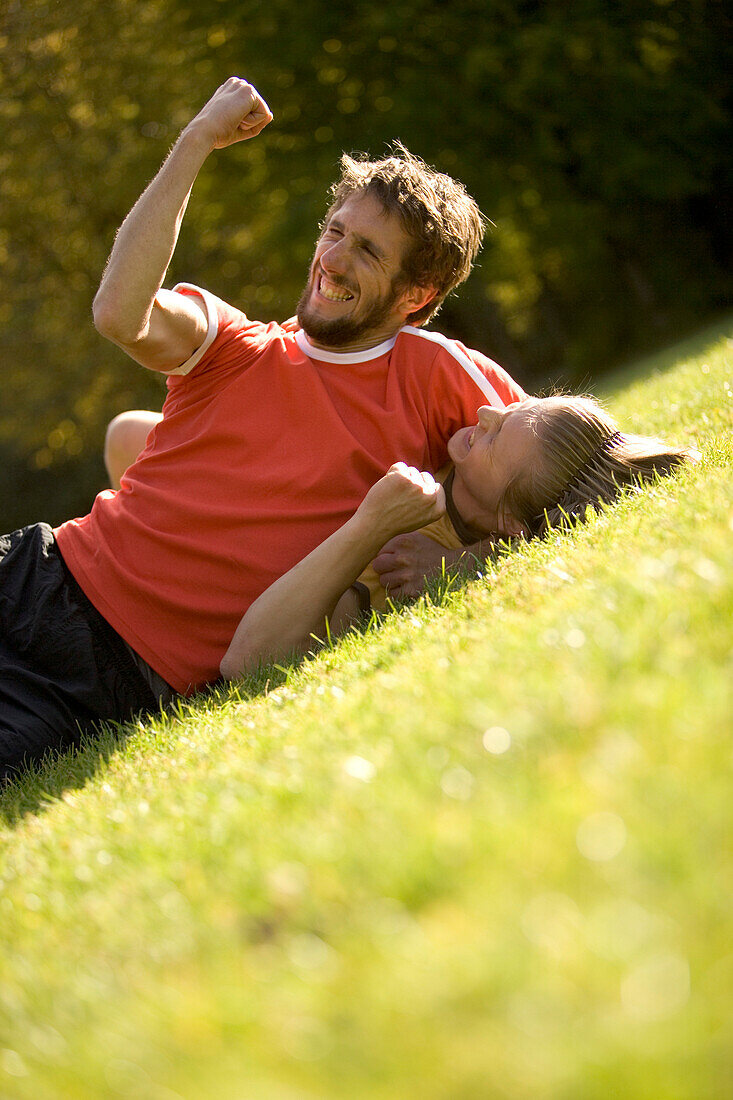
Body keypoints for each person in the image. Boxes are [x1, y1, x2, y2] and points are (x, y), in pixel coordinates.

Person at [1, 77, 526, 779]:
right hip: (34, 578)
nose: (333, 259)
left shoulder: (434, 373)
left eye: (367, 252)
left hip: (110, 686)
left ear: (417, 294)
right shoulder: (233, 344)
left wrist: (464, 562)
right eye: (335, 232)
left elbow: (560, 459)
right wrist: (196, 142)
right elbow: (118, 316)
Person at [219, 394, 696, 676]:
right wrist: (486, 554)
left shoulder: (409, 554)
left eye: (495, 436)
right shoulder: (445, 419)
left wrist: (372, 525)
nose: (484, 410)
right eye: (513, 407)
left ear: (511, 522)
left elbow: (245, 661)